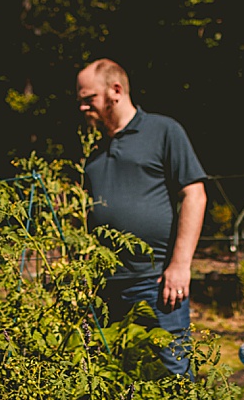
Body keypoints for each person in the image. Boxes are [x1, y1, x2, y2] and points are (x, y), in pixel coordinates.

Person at [76, 58, 207, 375]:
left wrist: (179, 265)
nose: (82, 108)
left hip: (157, 282)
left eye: (88, 98)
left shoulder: (164, 131)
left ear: (115, 90)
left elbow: (194, 194)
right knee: (118, 376)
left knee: (172, 370)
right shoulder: (93, 150)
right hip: (105, 287)